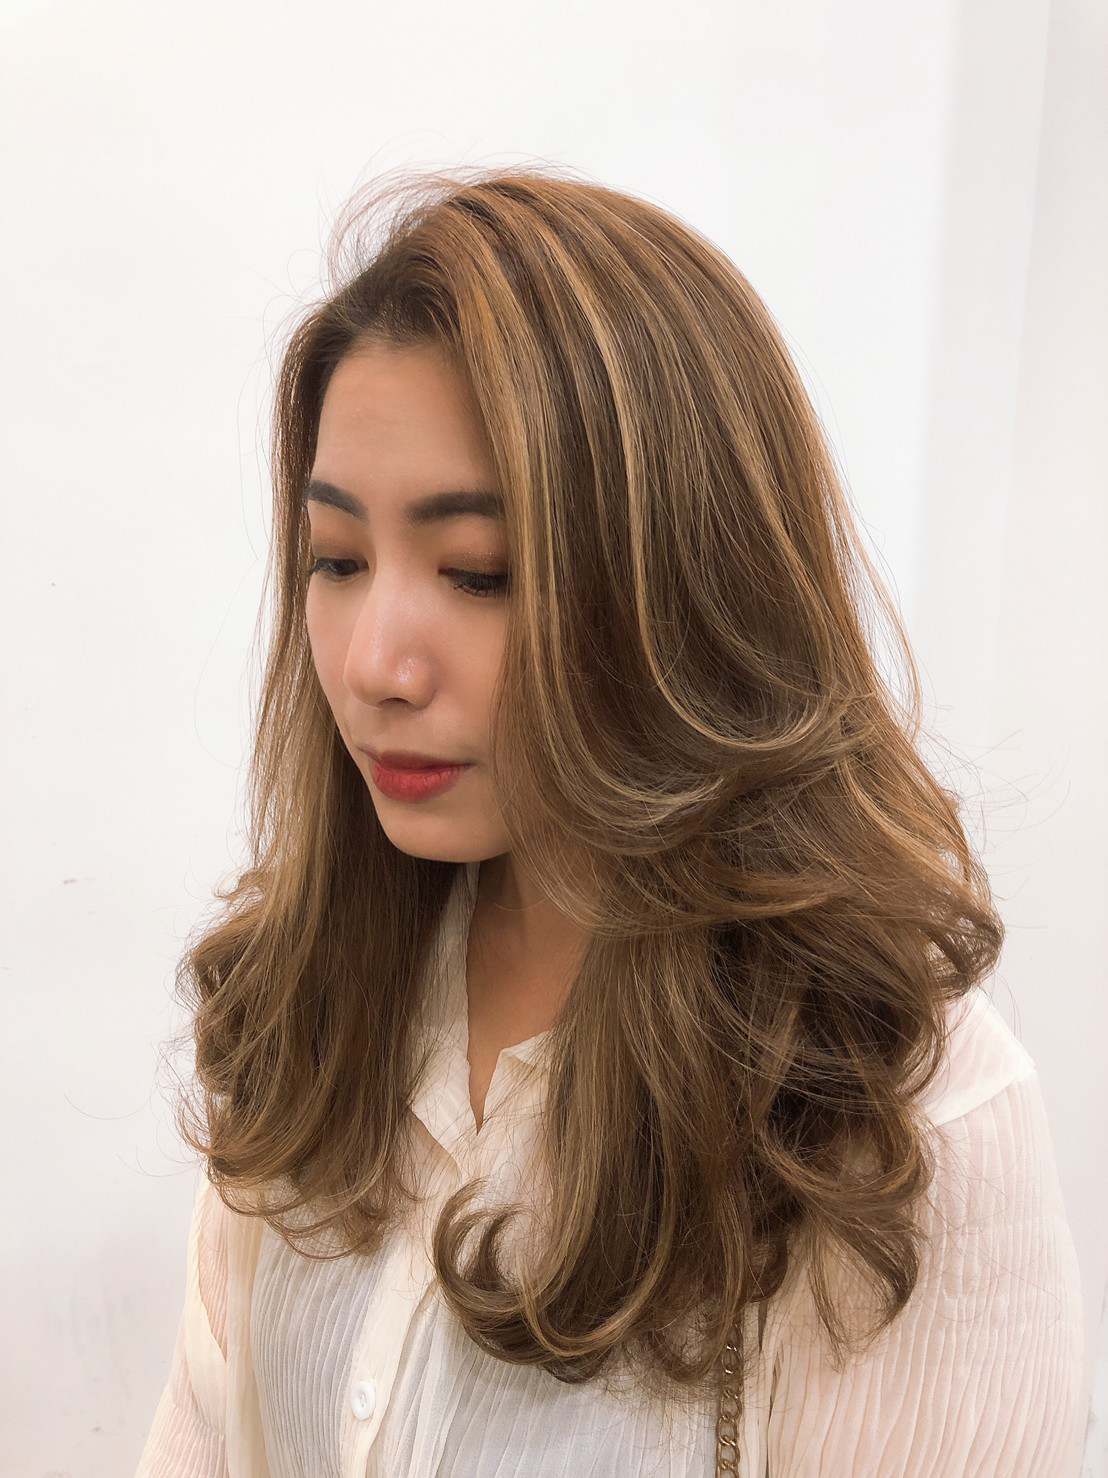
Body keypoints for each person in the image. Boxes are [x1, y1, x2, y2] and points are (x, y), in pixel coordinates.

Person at [134, 167, 1086, 1477]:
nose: (371, 663)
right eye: (337, 559)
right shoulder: (320, 999)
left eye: (478, 573)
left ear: (683, 589)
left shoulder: (889, 1121)